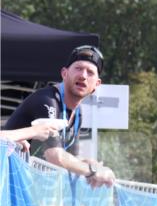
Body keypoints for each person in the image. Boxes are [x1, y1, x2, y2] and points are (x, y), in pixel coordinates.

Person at [2, 45, 114, 186]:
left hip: (26, 189)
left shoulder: (78, 112)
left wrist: (89, 163)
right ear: (64, 73)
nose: (83, 76)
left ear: (97, 84)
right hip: (7, 186)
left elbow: (71, 157)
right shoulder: (47, 100)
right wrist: (92, 171)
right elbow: (55, 156)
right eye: (78, 68)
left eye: (90, 72)